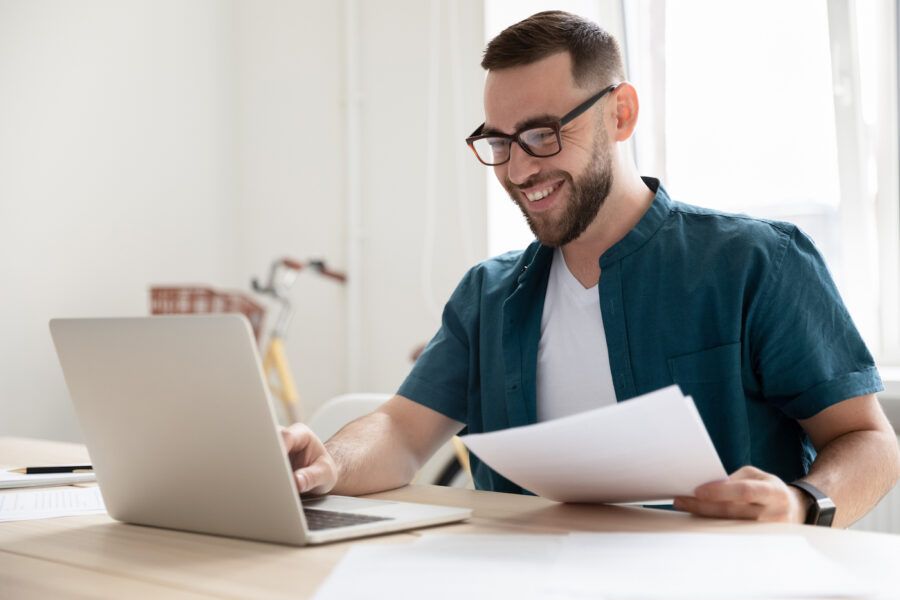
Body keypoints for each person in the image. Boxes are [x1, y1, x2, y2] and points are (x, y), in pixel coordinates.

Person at [282, 11, 900, 527]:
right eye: (499, 142)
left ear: (620, 114)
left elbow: (871, 442)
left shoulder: (756, 263)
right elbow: (400, 429)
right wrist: (328, 464)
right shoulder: (488, 295)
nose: (519, 170)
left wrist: (800, 504)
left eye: (542, 134)